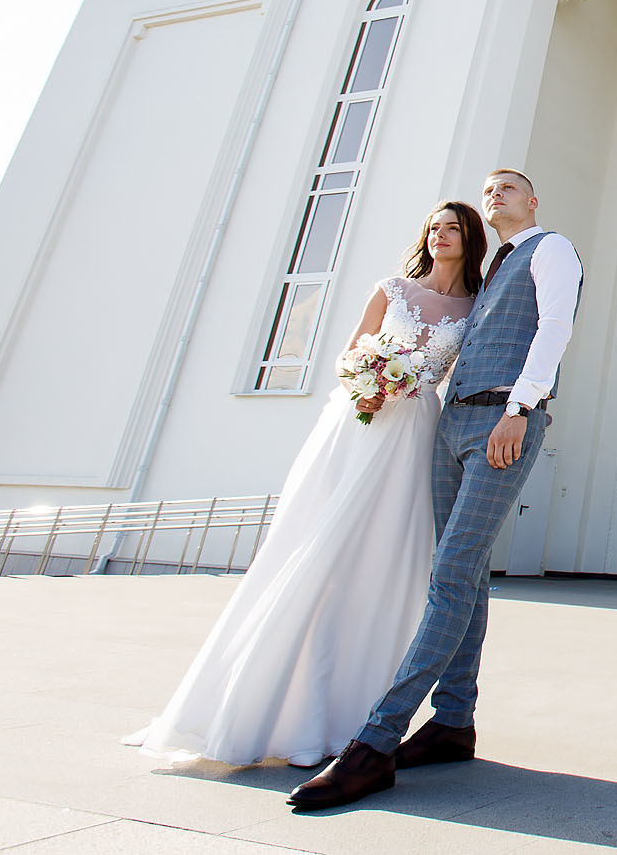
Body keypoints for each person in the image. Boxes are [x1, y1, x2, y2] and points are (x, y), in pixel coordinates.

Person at [123, 202, 487, 767]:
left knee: (383, 563)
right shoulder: (391, 290)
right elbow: (348, 356)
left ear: (470, 238)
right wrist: (366, 382)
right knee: (321, 548)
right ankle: (272, 708)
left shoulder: (475, 305)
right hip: (361, 423)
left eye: (453, 228)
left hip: (417, 432)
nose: (441, 236)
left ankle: (352, 716)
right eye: (433, 228)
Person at [288, 167, 583, 811]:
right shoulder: (486, 274)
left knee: (449, 574)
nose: (495, 194)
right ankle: (453, 721)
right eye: (488, 190)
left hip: (502, 421)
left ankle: (375, 743)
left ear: (532, 201)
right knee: (464, 575)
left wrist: (522, 407)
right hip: (451, 423)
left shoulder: (551, 248)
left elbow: (554, 326)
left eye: (508, 187)